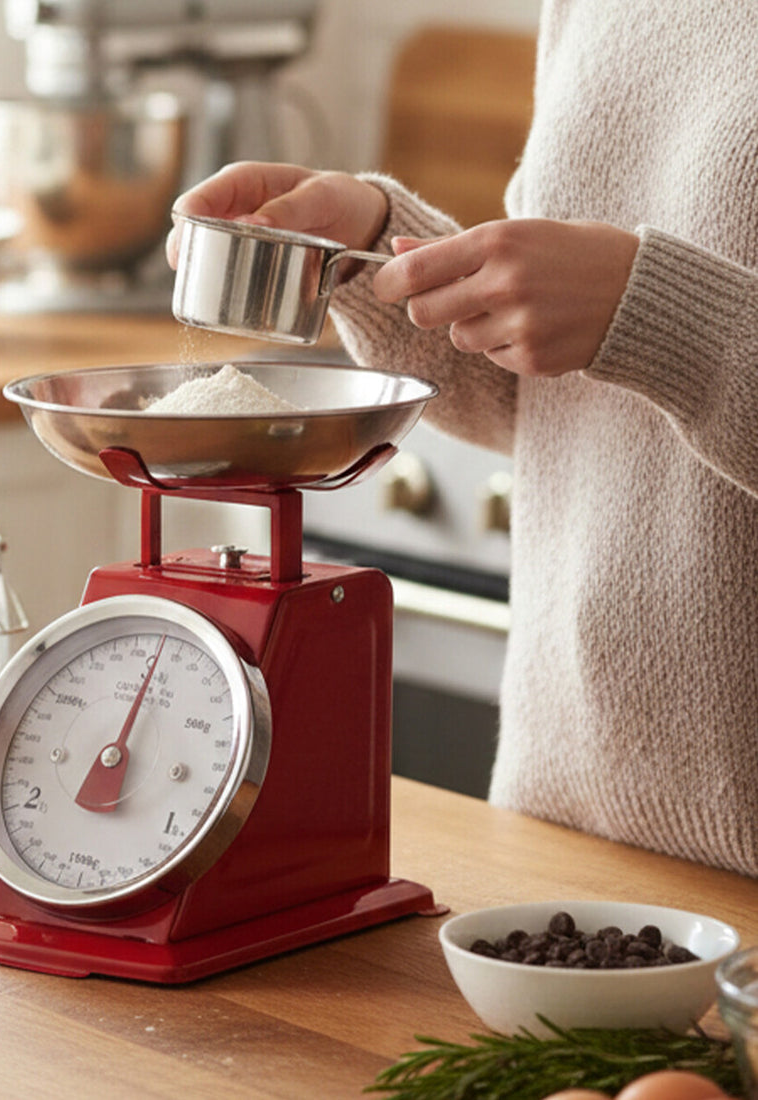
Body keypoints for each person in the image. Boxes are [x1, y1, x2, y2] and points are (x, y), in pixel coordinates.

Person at [166, 1, 758, 878]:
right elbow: (554, 413)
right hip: (562, 818)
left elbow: (648, 330)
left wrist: (659, 315)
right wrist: (371, 250)